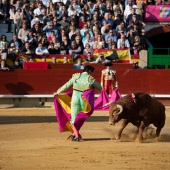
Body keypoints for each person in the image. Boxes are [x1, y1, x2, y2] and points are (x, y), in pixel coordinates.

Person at [53, 65, 102, 141]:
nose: (91, 74)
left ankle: (75, 134)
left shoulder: (76, 77)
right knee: (81, 117)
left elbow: (66, 85)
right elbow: (100, 88)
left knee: (74, 117)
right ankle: (76, 135)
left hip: (75, 99)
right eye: (91, 72)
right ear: (89, 71)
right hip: (84, 101)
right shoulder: (90, 79)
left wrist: (58, 92)